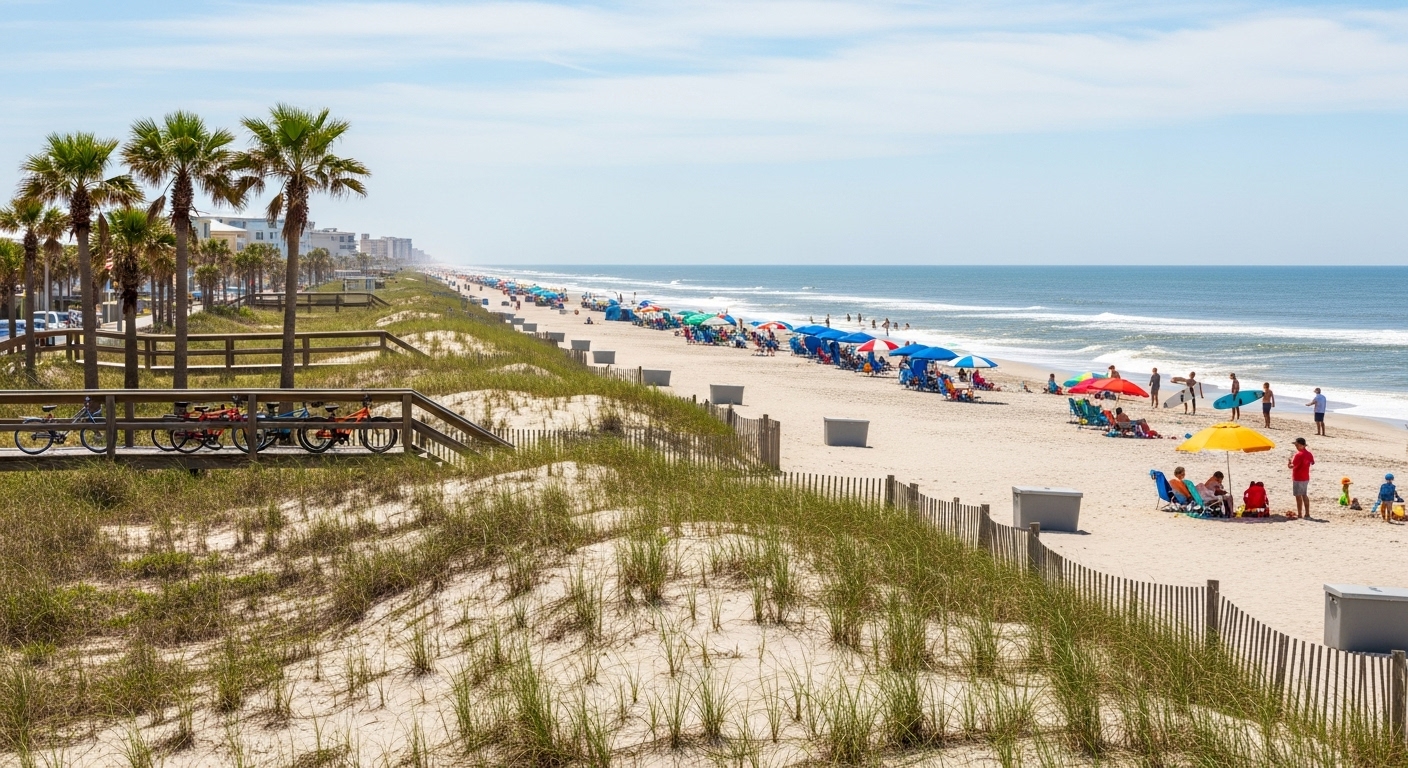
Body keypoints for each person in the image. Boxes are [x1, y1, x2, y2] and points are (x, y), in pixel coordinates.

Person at [1289, 437, 1315, 520]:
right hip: (1305, 477)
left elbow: (1292, 466)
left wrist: (1289, 463)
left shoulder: (1298, 454)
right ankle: (1307, 513)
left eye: (1296, 444)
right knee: (1304, 494)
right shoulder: (1309, 454)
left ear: (1300, 445)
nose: (1295, 446)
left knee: (1298, 496)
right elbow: (1312, 462)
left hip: (1298, 477)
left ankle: (1300, 514)